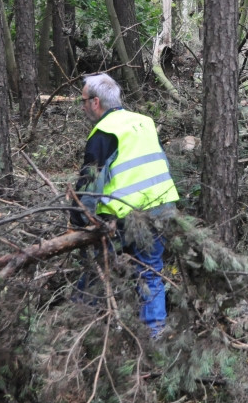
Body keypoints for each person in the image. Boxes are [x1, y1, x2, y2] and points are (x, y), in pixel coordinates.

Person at [75, 72, 179, 336]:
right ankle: (154, 336)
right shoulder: (143, 122)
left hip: (123, 218)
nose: (82, 105)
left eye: (83, 100)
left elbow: (89, 187)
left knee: (99, 269)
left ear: (96, 102)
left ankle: (79, 324)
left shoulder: (104, 133)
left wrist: (76, 222)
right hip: (163, 208)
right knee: (150, 272)